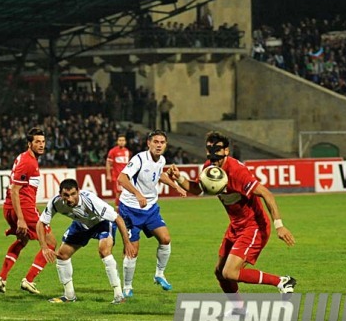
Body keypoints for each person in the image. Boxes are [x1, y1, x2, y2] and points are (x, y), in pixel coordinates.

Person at [168, 131, 296, 310]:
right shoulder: (209, 168)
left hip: (254, 227)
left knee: (230, 272)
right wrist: (179, 178)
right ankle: (239, 309)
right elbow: (197, 189)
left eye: (217, 150)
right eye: (209, 150)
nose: (212, 155)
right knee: (220, 272)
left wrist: (279, 225)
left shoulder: (237, 172)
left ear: (226, 151)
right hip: (235, 227)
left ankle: (282, 281)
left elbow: (266, 194)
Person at [36, 179, 136, 304]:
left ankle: (119, 296)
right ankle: (69, 296)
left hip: (102, 223)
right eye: (66, 195)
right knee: (62, 255)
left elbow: (117, 218)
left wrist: (127, 243)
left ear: (78, 191)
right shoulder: (55, 203)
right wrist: (44, 247)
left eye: (73, 194)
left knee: (104, 250)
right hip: (81, 224)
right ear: (60, 194)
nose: (70, 199)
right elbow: (41, 223)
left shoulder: (91, 200)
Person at [117, 129, 186, 297]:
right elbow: (122, 178)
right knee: (133, 250)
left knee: (165, 238)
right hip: (131, 209)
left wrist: (176, 186)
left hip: (150, 208)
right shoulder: (139, 159)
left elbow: (159, 175)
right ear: (149, 143)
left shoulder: (161, 159)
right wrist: (138, 194)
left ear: (166, 145)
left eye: (162, 142)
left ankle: (159, 274)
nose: (159, 145)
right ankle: (127, 287)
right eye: (156, 142)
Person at [0, 127, 57, 294]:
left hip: (10, 207)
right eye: (37, 142)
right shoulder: (28, 162)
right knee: (50, 242)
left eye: (43, 142)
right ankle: (28, 280)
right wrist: (21, 218)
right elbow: (15, 189)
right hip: (24, 208)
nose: (41, 145)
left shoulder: (24, 157)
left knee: (23, 240)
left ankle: (2, 278)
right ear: (29, 143)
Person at [105, 133, 131, 209]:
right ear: (117, 141)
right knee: (119, 193)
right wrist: (108, 174)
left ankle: (124, 209)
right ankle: (117, 210)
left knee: (126, 193)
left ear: (125, 142)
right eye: (120, 140)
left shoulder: (127, 151)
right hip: (117, 176)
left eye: (123, 140)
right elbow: (108, 163)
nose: (121, 142)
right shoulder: (113, 151)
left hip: (126, 176)